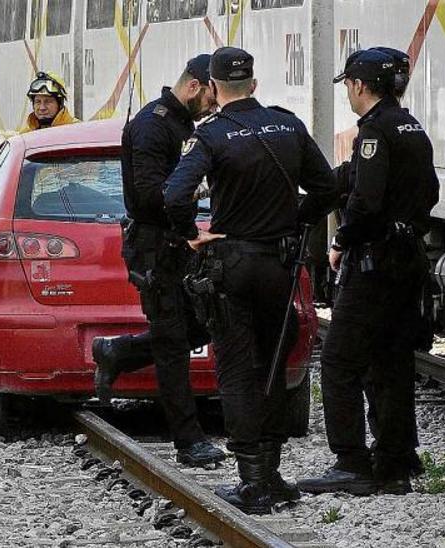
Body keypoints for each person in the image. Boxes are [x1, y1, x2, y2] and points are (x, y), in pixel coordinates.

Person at [161, 47, 338, 514]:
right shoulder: (288, 126)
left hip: (233, 265)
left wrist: (189, 236)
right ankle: (273, 472)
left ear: (214, 89)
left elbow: (175, 195)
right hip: (280, 265)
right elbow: (328, 188)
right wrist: (292, 221)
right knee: (274, 362)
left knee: (237, 369)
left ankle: (252, 482)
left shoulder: (213, 134)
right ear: (254, 85)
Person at [297, 49, 439, 497]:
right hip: (407, 261)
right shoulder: (411, 126)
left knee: (339, 360)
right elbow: (430, 191)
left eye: (348, 84)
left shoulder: (374, 131)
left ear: (359, 85)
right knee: (391, 361)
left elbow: (365, 200)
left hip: (374, 265)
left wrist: (341, 241)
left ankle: (351, 463)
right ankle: (396, 461)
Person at [92, 54, 225, 467]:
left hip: (176, 243)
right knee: (171, 343)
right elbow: (151, 194)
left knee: (198, 326)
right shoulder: (154, 125)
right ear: (194, 86)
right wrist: (199, 189)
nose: (214, 107)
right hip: (155, 247)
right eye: (212, 97)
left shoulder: (182, 124)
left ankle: (120, 353)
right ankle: (189, 441)